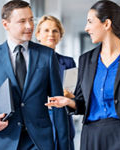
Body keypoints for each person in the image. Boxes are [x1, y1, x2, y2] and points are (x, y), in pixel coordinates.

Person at [45, 1, 120, 150]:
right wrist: (68, 102)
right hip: (92, 137)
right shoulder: (85, 60)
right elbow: (82, 103)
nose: (86, 28)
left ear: (106, 24)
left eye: (90, 21)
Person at [0, 1, 69, 150]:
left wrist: (64, 146)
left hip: (38, 142)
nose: (29, 26)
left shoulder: (47, 55)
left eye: (31, 20)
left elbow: (58, 104)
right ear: (6, 24)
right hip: (4, 140)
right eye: (22, 21)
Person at [35, 15, 76, 150]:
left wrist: (67, 95)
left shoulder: (68, 62)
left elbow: (73, 94)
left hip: (62, 119)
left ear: (60, 35)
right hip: (38, 120)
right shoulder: (29, 62)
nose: (51, 34)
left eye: (55, 31)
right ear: (38, 35)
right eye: (46, 30)